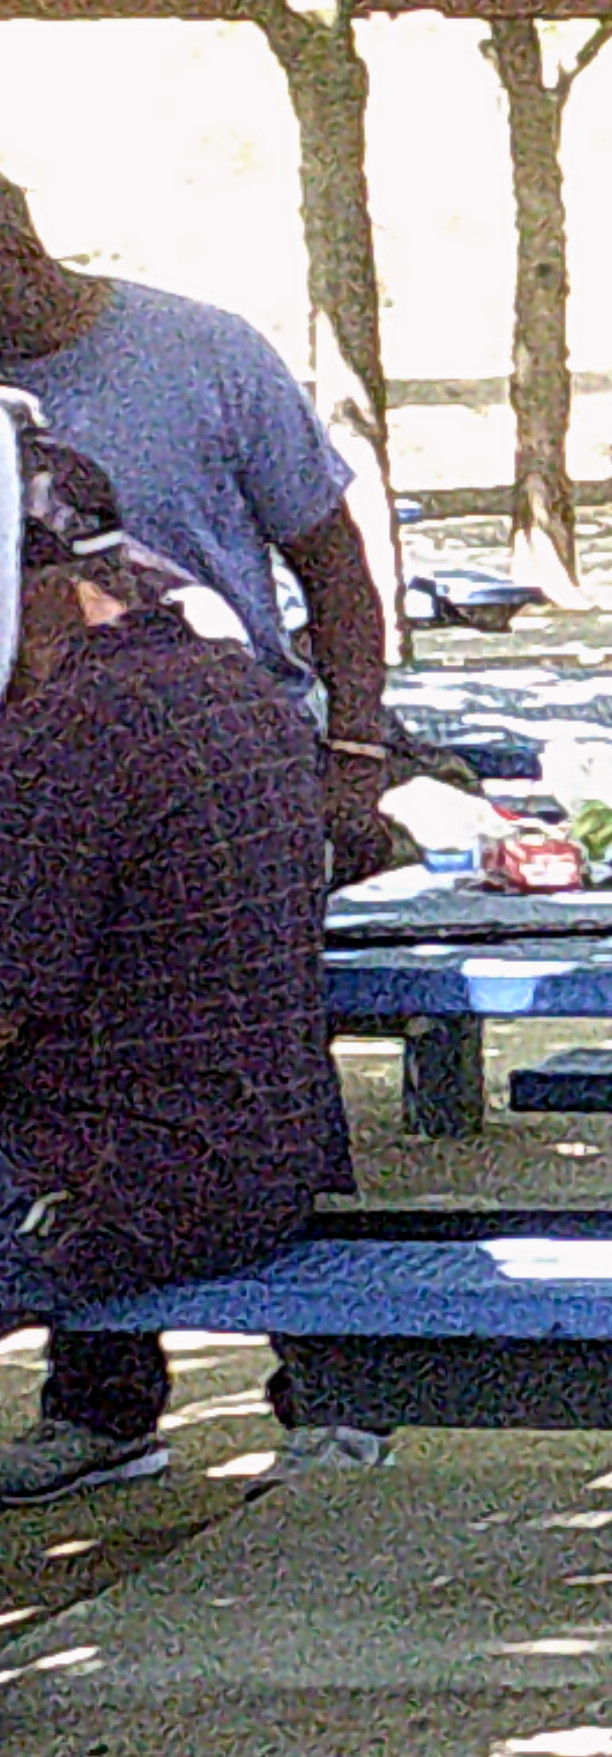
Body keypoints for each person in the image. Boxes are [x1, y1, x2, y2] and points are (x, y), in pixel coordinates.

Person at [0, 178, 390, 1502]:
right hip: (208, 736)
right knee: (187, 1050)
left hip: (207, 762)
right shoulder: (102, 705)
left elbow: (335, 557)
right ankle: (104, 1403)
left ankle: (331, 1390)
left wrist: (356, 750)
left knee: (199, 1043)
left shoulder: (204, 352)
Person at [0, 412, 335, 1488]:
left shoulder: (64, 735)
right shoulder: (230, 683)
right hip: (272, 1161)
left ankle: (105, 1416)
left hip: (128, 1195)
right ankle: (103, 1414)